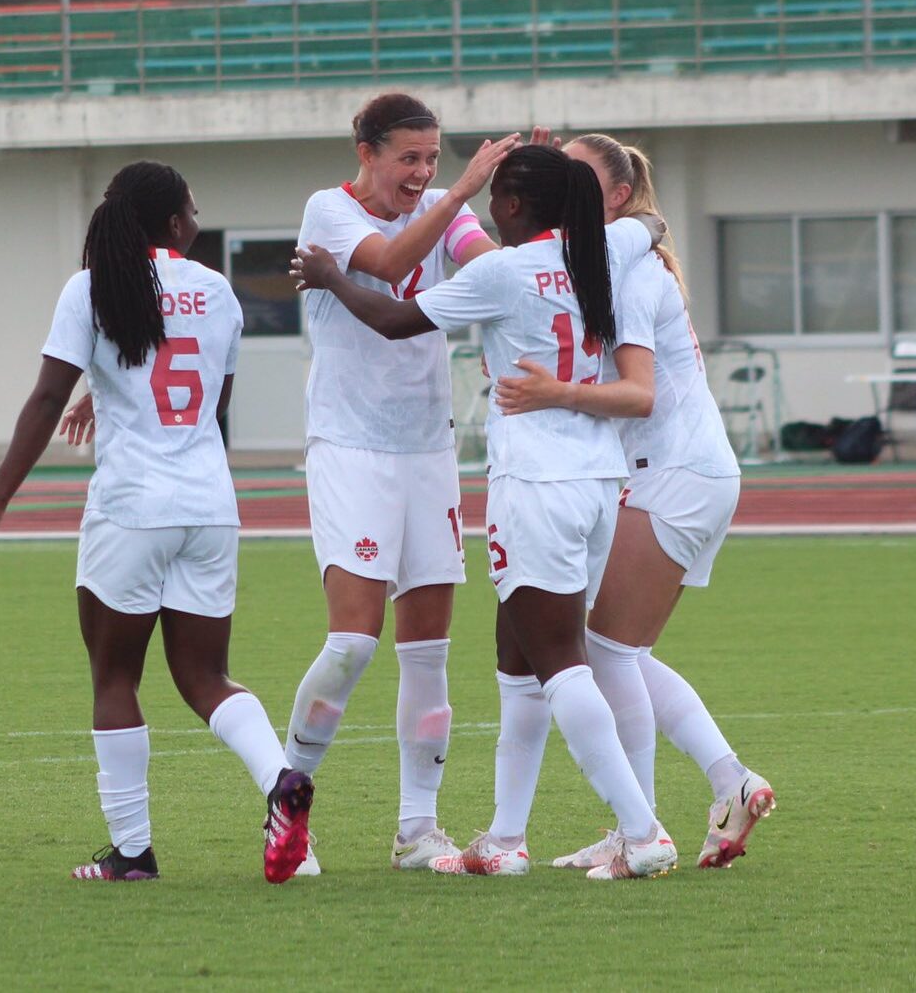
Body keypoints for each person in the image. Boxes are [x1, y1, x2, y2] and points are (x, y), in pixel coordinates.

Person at [291, 143, 680, 881]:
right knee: (519, 658)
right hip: (600, 481)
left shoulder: (505, 271)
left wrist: (332, 279)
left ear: (507, 206)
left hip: (535, 482)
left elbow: (397, 318)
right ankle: (504, 838)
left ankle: (643, 829)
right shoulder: (611, 246)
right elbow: (651, 225)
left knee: (561, 663)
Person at [0, 162, 314, 884]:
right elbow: (210, 399)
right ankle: (280, 778)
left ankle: (133, 853)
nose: (198, 219)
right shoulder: (217, 291)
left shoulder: (89, 286)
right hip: (210, 504)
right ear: (175, 224)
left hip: (130, 506)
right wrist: (113, 391)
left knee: (116, 675)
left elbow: (46, 397)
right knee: (205, 675)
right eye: (193, 208)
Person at [497, 134, 777, 872]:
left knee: (606, 651)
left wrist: (551, 393)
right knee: (619, 650)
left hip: (673, 472)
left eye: (579, 177)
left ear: (616, 199)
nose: (563, 188)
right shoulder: (611, 258)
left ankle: (641, 830)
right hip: (680, 471)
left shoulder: (625, 270)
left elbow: (638, 393)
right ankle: (721, 783)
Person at [277, 93, 520, 875]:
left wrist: (527, 216)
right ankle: (288, 801)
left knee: (429, 653)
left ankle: (418, 826)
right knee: (351, 642)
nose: (422, 173)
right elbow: (383, 266)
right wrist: (458, 192)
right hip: (350, 447)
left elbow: (489, 263)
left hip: (428, 452)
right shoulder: (329, 208)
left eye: (433, 158)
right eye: (408, 158)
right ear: (367, 151)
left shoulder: (449, 217)